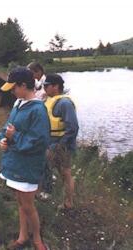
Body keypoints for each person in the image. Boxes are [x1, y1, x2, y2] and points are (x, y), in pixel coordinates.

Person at [0, 67, 50, 250]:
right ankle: (22, 236)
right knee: (20, 202)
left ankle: (37, 240)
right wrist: (3, 140)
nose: (12, 91)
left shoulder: (38, 110)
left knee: (28, 205)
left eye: (13, 88)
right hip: (15, 162)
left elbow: (39, 141)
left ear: (23, 85)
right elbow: (8, 127)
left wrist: (14, 138)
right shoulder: (18, 104)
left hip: (27, 165)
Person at [43, 74, 79, 209]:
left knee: (65, 173)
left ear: (56, 86)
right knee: (49, 168)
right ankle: (49, 193)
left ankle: (68, 203)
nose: (44, 88)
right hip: (51, 143)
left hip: (62, 145)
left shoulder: (64, 103)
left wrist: (61, 145)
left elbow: (73, 127)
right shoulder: (50, 101)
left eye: (47, 86)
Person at [27, 62, 53, 201]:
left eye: (32, 73)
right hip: (39, 123)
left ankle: (47, 188)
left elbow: (39, 98)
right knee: (42, 157)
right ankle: (44, 182)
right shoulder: (39, 83)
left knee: (45, 158)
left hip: (44, 124)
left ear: (38, 71)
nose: (31, 77)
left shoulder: (46, 83)